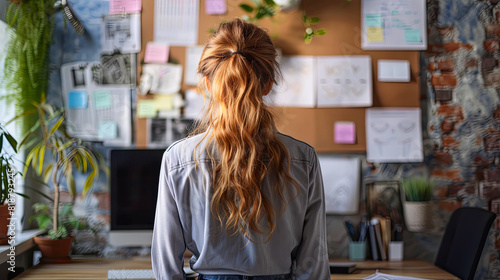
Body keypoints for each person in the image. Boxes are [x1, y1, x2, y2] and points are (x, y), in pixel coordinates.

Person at [152, 18, 329, 280]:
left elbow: (166, 266)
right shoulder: (304, 159)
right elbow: (313, 264)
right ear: (268, 83)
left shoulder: (177, 159)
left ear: (209, 83)